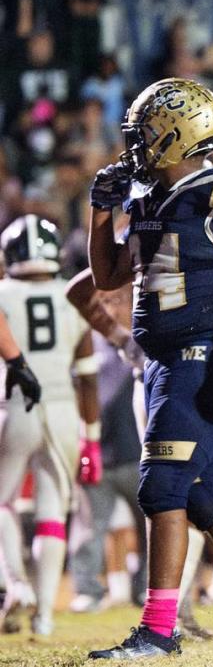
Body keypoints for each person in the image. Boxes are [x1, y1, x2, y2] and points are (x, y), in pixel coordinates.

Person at [84, 78, 213, 659]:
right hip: (161, 361)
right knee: (207, 500)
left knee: (162, 485)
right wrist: (101, 211)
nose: (136, 144)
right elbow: (107, 278)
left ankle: (158, 631)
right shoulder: (149, 197)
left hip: (204, 358)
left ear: (178, 135)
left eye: (146, 132)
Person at [0, 215, 100, 636]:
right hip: (64, 411)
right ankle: (43, 616)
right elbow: (89, 374)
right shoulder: (71, 295)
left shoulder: (3, 293)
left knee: (2, 502)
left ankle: (16, 582)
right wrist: (91, 439)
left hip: (16, 404)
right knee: (51, 515)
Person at [65, 278, 147, 613]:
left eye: (115, 300)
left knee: (152, 525)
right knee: (88, 528)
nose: (109, 309)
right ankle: (87, 590)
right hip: (99, 453)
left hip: (138, 454)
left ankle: (146, 589)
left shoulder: (145, 340)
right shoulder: (88, 343)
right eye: (103, 302)